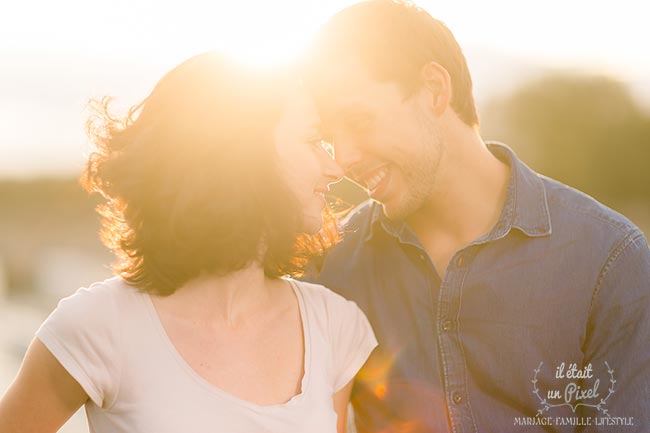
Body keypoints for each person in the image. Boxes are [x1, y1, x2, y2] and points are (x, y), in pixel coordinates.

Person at [302, 1, 650, 432]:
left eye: (359, 120)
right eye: (331, 138)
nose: (346, 158)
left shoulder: (611, 260)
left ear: (434, 89)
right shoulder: (333, 266)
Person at [0, 52, 377, 433]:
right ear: (241, 153)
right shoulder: (96, 326)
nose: (335, 168)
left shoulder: (332, 325)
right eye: (314, 141)